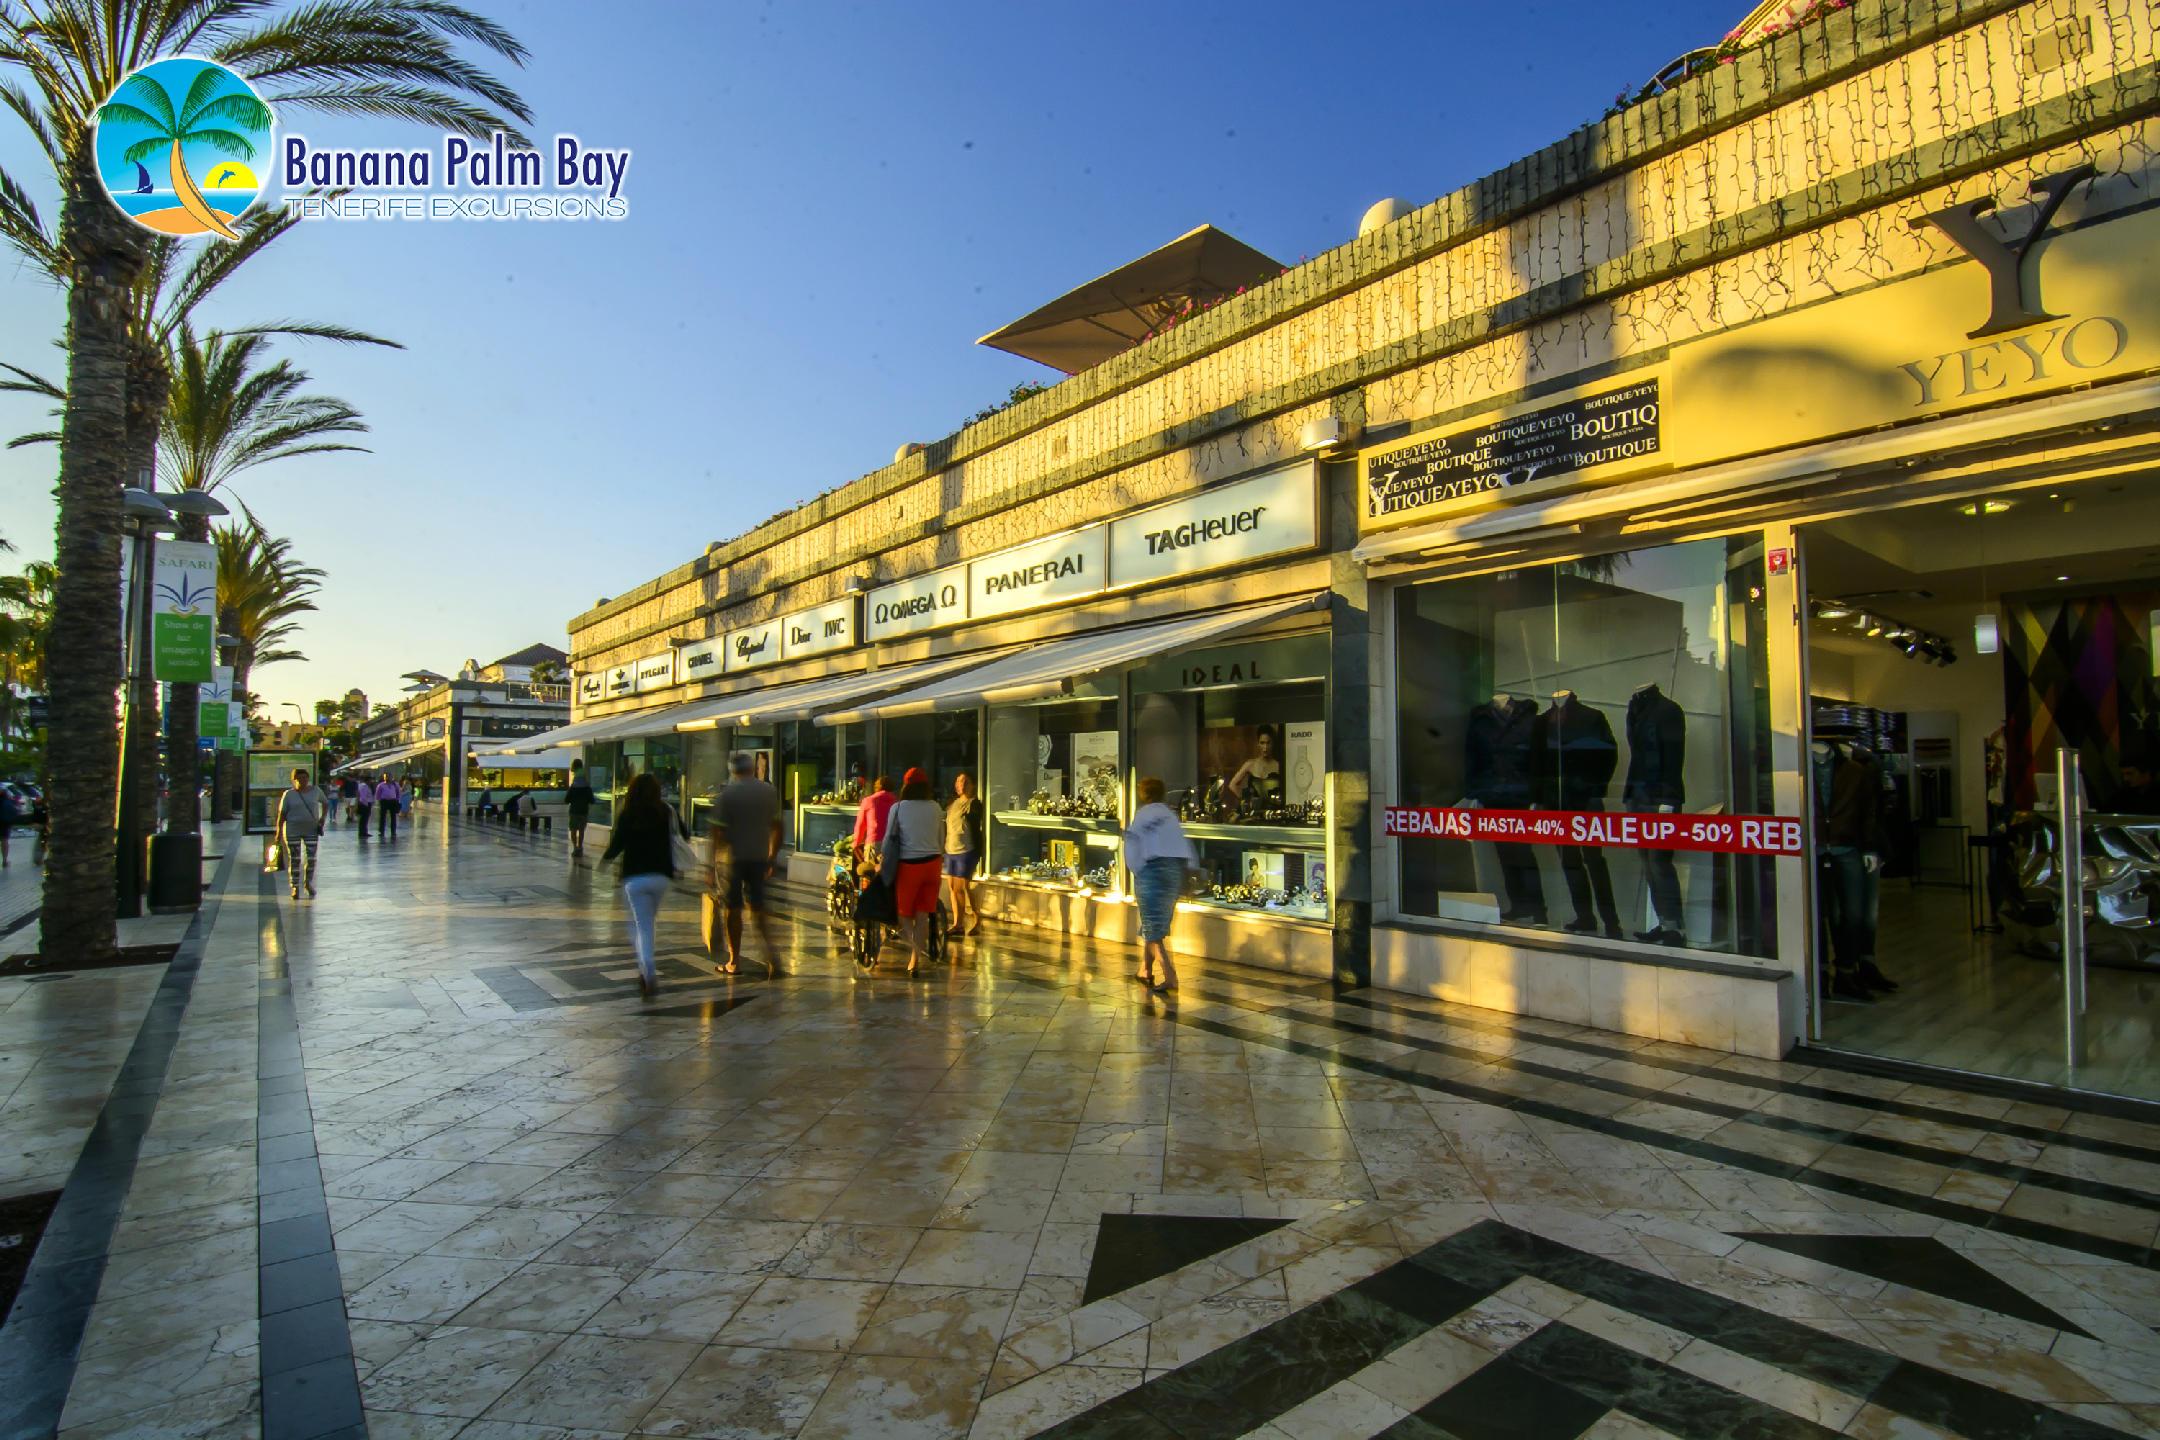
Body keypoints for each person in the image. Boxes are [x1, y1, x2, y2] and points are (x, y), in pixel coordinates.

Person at [600, 772, 687, 998]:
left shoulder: (629, 813)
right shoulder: (667, 811)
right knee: (647, 923)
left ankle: (647, 971)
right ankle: (644, 968)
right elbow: (684, 834)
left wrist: (604, 861)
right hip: (661, 877)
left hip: (635, 878)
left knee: (641, 926)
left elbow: (617, 843)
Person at [714, 751, 784, 976]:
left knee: (733, 911)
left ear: (733, 770)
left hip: (732, 859)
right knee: (759, 908)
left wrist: (709, 863)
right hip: (759, 858)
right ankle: (772, 958)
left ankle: (734, 961)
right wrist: (772, 856)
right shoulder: (769, 792)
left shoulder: (727, 794)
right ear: (752, 768)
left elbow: (717, 832)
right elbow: (778, 827)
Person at [1123, 776, 1193, 993]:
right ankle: (1145, 969)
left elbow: (1133, 844)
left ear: (1144, 794)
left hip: (1151, 872)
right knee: (1154, 923)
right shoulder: (1170, 815)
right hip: (1172, 873)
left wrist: (1137, 870)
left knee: (1153, 930)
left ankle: (1170, 975)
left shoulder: (1143, 815)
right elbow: (1183, 844)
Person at [884, 768, 946, 973]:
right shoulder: (936, 807)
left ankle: (916, 952)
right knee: (922, 916)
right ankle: (915, 960)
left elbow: (887, 842)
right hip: (933, 865)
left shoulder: (899, 808)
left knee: (902, 918)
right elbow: (941, 839)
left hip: (909, 867)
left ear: (906, 786)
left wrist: (881, 859)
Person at [275, 767, 328, 900]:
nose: (302, 781)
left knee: (311, 858)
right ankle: (294, 886)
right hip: (292, 829)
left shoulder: (316, 791)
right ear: (294, 780)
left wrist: (322, 818)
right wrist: (278, 832)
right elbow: (281, 814)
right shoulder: (288, 794)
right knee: (295, 858)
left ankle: (308, 883)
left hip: (311, 828)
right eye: (299, 779)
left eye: (304, 778)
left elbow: (326, 803)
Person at [943, 772, 983, 937]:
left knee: (962, 886)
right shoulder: (953, 804)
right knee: (953, 887)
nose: (961, 785)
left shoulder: (974, 804)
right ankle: (961, 921)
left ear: (972, 785)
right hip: (951, 849)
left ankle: (970, 920)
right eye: (958, 781)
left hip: (966, 850)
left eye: (965, 782)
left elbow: (975, 825)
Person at [1227, 727, 1283, 805]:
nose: (1265, 747)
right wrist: (1246, 801)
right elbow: (1232, 784)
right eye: (1262, 743)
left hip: (1274, 811)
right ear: (1258, 744)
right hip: (1255, 813)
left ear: (1273, 744)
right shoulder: (1250, 764)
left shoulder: (1279, 766)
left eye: (1268, 743)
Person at [851, 772, 896, 859]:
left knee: (871, 871)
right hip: (892, 844)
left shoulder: (868, 801)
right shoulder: (897, 802)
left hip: (874, 843)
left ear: (876, 787)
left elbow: (860, 825)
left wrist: (856, 844)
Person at [565, 759, 596, 857]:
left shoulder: (573, 787)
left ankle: (575, 848)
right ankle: (580, 846)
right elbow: (592, 800)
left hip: (574, 811)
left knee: (573, 830)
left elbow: (566, 800)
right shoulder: (587, 786)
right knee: (581, 830)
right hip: (584, 811)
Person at [377, 772, 400, 840]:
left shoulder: (395, 785)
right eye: (385, 777)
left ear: (391, 777)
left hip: (393, 801)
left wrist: (397, 800)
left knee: (393, 817)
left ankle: (393, 831)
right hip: (384, 801)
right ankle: (381, 831)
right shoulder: (381, 785)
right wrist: (379, 801)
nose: (387, 778)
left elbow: (398, 792)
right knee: (382, 817)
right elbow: (378, 794)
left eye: (388, 776)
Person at [354, 775, 374, 839]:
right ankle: (363, 832)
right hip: (365, 804)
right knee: (364, 819)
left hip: (365, 803)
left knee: (364, 819)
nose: (371, 781)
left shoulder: (363, 785)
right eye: (370, 780)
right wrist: (366, 804)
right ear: (367, 780)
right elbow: (363, 797)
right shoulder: (364, 786)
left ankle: (364, 831)